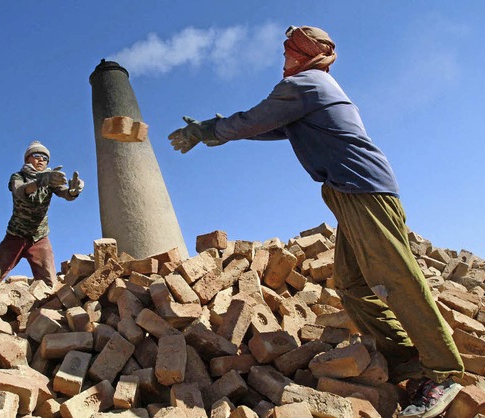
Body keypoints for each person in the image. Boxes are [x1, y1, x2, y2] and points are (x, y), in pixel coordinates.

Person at [168, 25, 464, 418]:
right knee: (353, 284)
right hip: (350, 193)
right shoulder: (308, 90)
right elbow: (270, 127)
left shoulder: (307, 84)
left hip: (364, 191)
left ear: (303, 56)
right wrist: (216, 130)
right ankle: (405, 358)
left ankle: (443, 372)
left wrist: (209, 129)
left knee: (396, 277)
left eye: (289, 52)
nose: (285, 59)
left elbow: (255, 119)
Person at [0, 141, 84, 288]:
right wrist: (40, 181)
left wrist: (73, 191)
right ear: (28, 159)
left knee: (49, 285)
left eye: (45, 158)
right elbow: (20, 191)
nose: (41, 160)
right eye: (37, 155)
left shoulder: (51, 179)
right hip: (15, 235)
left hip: (39, 237)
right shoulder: (18, 177)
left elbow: (64, 192)